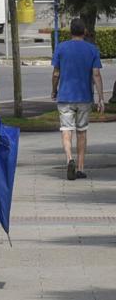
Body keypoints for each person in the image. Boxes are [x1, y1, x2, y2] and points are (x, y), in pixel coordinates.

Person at [51, 18, 104, 180]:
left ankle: (69, 159)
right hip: (84, 97)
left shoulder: (61, 48)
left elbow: (56, 73)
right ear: (85, 32)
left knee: (66, 130)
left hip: (65, 96)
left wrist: (54, 90)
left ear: (70, 31)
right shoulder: (92, 49)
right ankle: (80, 168)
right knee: (82, 132)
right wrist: (101, 97)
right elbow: (96, 74)